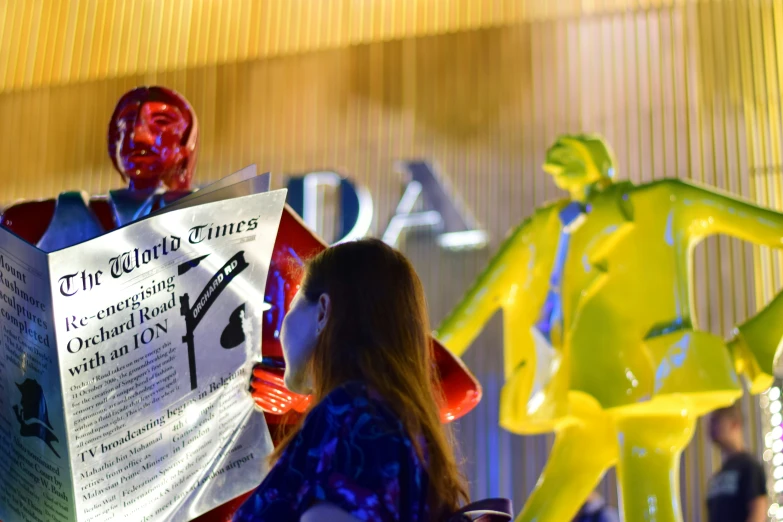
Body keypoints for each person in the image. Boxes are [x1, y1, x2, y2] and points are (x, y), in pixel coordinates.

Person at [233, 238, 470, 522]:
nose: (282, 329)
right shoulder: (395, 423)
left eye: (293, 307)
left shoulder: (351, 413)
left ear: (322, 312)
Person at [707, 401, 768, 522]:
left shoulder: (749, 466)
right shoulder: (719, 473)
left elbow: (758, 513)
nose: (710, 428)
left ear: (735, 424)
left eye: (716, 421)